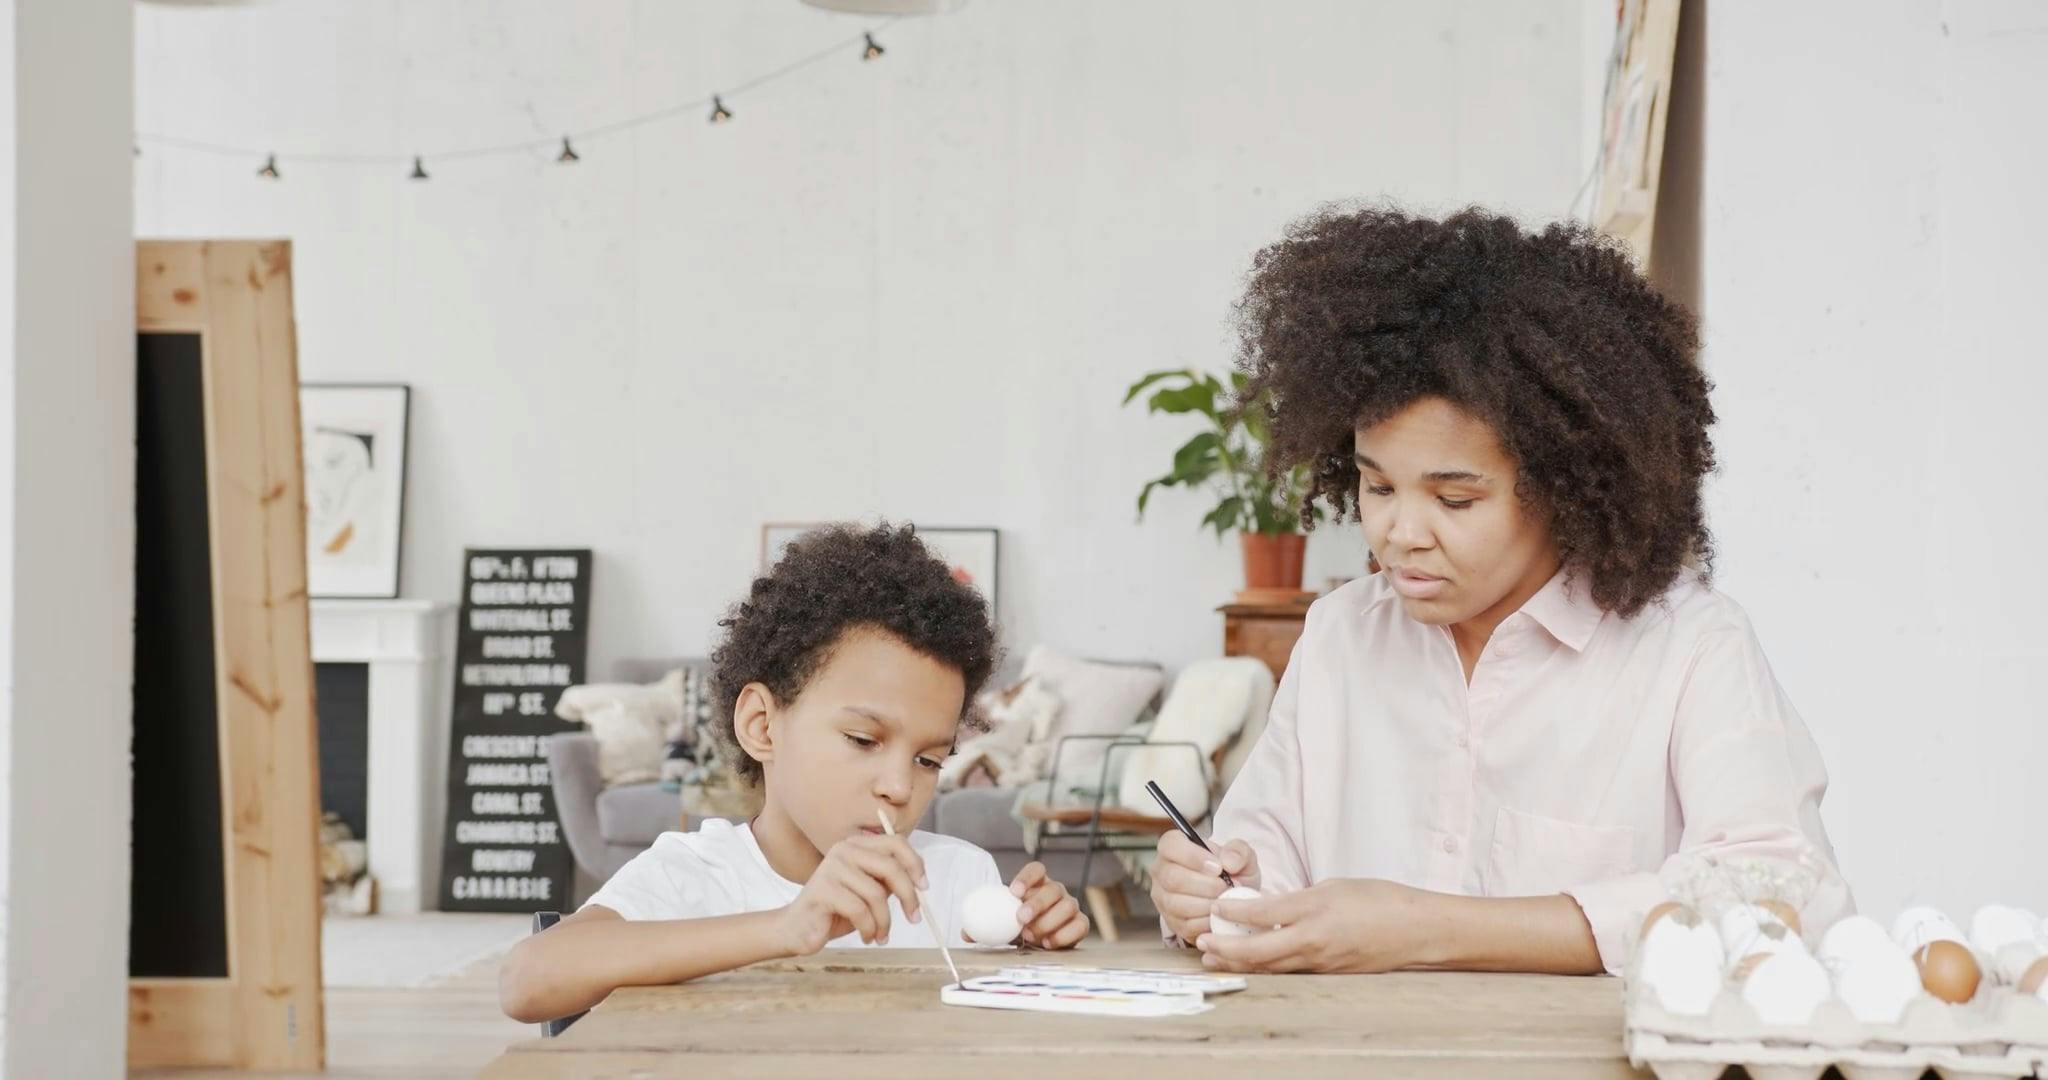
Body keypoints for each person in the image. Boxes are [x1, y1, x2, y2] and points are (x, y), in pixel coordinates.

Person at [1151, 206, 1852, 976]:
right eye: (1377, 486)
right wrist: (1221, 887)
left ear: (1565, 486)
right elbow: (1264, 855)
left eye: (1454, 499)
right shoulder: (1341, 635)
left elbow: (1786, 894)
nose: (1399, 533)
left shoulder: (1689, 647)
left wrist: (1427, 929)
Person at [501, 523, 1088, 1024]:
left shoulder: (958, 876)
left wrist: (1032, 948)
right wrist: (786, 926)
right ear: (762, 725)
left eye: (929, 760)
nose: (899, 787)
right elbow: (527, 981)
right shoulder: (695, 877)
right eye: (863, 740)